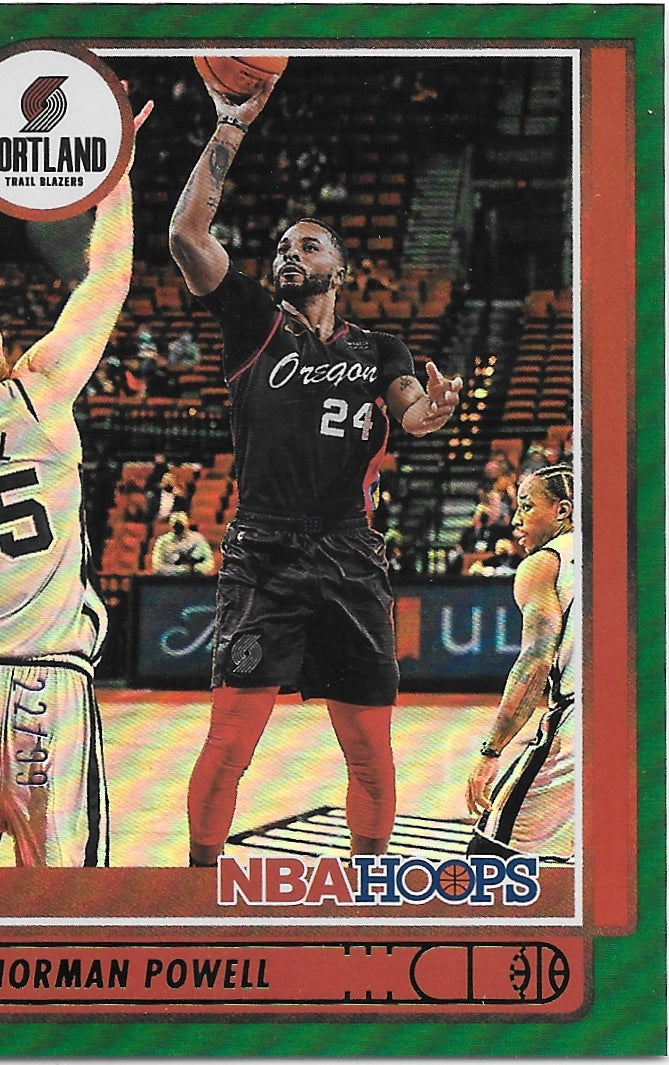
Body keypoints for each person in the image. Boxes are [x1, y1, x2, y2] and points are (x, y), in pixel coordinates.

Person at [168, 73, 462, 865]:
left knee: (367, 746)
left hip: (349, 552)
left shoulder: (382, 349)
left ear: (342, 267)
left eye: (308, 244)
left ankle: (367, 890)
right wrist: (229, 127)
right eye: (281, 247)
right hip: (263, 552)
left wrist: (431, 413)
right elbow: (187, 235)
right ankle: (197, 887)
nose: (288, 253)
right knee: (230, 739)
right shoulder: (252, 323)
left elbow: (409, 411)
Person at [0, 96, 152, 868]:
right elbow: (108, 274)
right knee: (64, 902)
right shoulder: (34, 392)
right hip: (45, 682)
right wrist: (116, 174)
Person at [465, 465, 575, 861]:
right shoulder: (623, 551)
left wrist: (490, 751)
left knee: (488, 855)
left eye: (527, 506)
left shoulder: (546, 562)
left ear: (562, 510)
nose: (516, 520)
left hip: (579, 724)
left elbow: (535, 663)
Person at [151, 512, 216, 576]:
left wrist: (196, 568)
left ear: (187, 524)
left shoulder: (198, 539)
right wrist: (181, 570)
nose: (178, 528)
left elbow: (209, 562)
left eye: (181, 526)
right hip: (170, 580)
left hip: (195, 578)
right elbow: (157, 567)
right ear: (170, 525)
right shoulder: (162, 541)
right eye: (176, 526)